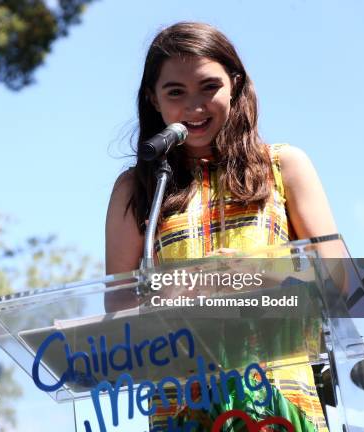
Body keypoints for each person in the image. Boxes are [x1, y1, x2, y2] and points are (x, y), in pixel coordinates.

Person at [105, 22, 337, 431]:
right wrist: (184, 288)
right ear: (153, 99)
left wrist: (254, 274)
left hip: (280, 402)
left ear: (235, 85)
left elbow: (340, 281)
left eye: (208, 87)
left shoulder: (283, 166)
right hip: (182, 407)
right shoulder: (136, 187)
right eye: (175, 92)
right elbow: (118, 305)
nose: (194, 105)